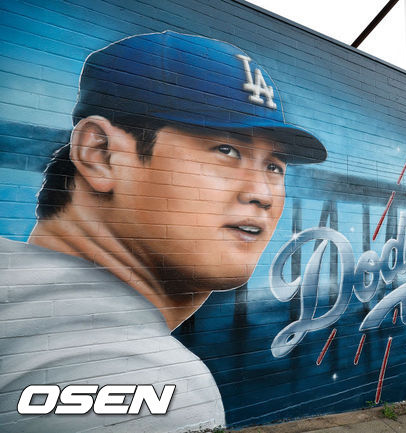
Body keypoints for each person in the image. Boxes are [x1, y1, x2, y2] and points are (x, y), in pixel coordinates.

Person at [0, 31, 326, 433]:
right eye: (226, 150)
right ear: (100, 154)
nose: (261, 194)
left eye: (274, 167)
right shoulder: (156, 384)